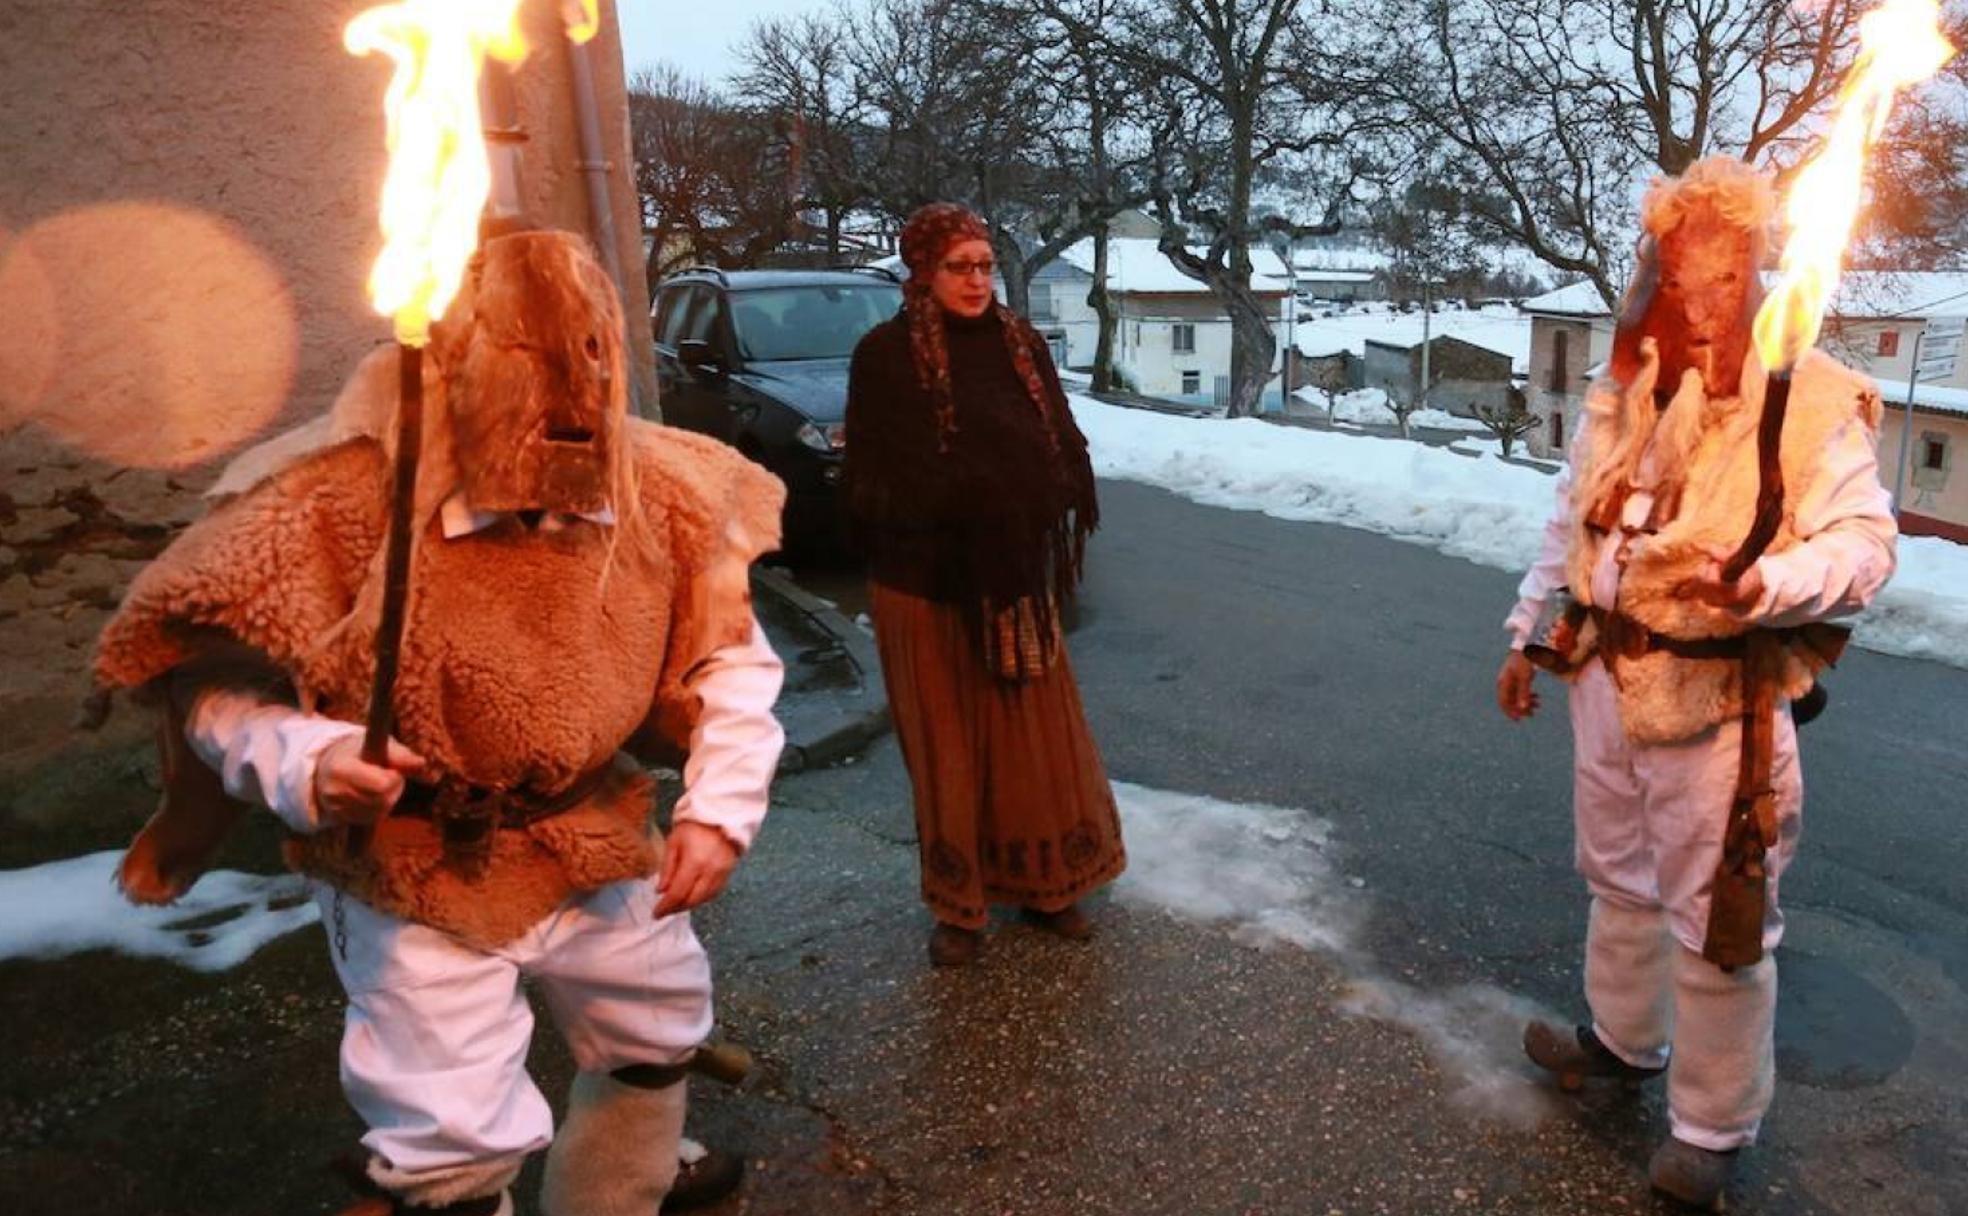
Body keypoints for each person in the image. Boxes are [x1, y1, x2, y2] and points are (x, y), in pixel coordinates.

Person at [91, 229, 785, 1216]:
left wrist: (719, 810)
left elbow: (730, 658)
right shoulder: (332, 501)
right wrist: (309, 757)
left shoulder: (661, 494)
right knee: (449, 1133)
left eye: (588, 355)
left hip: (588, 833)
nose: (565, 397)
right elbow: (210, 690)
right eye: (525, 359)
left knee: (654, 1026)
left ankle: (621, 1186)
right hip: (412, 862)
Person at [1496, 157, 1897, 1210]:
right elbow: (1572, 514)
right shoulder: (1628, 386)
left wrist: (1772, 584)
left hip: (1718, 703)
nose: (1702, 304)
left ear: (1758, 273)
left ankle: (1712, 1127)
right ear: (1657, 278)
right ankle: (1623, 1042)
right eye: (1680, 280)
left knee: (1722, 920)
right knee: (1617, 877)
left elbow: (1865, 544)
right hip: (1603, 675)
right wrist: (1527, 632)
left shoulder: (1811, 400)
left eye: (1724, 280)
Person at [843, 202, 1125, 967]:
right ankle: (959, 907)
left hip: (1013, 580)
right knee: (949, 751)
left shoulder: (1020, 346)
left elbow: (1062, 445)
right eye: (957, 267)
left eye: (985, 266)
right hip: (923, 583)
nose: (975, 281)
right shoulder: (884, 357)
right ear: (923, 272)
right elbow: (871, 480)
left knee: (1033, 742)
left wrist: (1031, 497)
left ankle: (1050, 887)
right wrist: (965, 500)